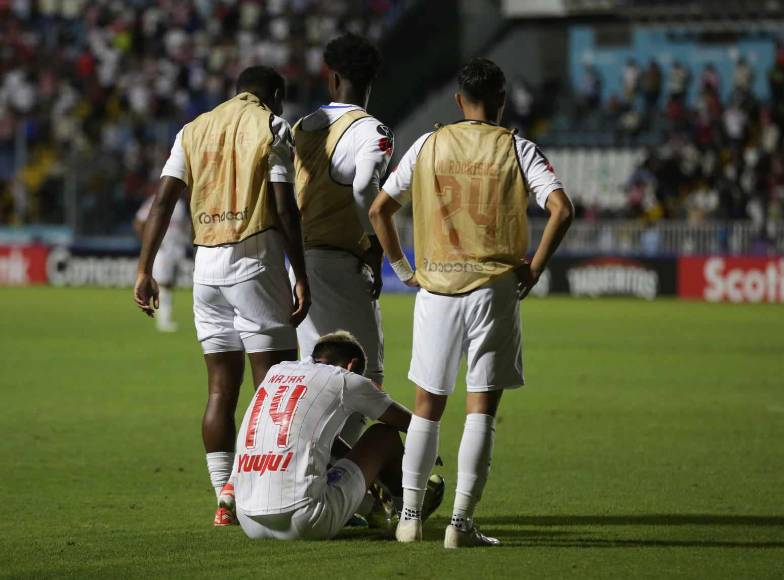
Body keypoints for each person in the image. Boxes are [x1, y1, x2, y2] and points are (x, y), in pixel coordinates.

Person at [368, 57, 575, 548]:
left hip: (437, 288)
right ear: (502, 100)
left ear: (459, 100)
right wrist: (535, 266)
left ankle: (410, 517)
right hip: (493, 288)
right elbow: (562, 209)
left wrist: (402, 269)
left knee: (426, 407)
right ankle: (460, 524)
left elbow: (379, 210)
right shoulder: (518, 148)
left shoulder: (428, 143)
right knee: (481, 409)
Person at [133, 66, 311, 525]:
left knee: (218, 391)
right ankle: (260, 491)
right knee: (273, 389)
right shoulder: (272, 125)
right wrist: (300, 273)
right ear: (275, 95)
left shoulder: (192, 129)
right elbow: (283, 207)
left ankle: (223, 497)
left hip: (206, 269)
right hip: (254, 263)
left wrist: (144, 269)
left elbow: (162, 201)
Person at [227, 331, 444, 541]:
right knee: (384, 435)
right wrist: (426, 447)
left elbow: (325, 444)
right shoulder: (345, 379)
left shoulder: (276, 372)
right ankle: (406, 511)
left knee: (318, 450)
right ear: (352, 365)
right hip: (305, 518)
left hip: (248, 520)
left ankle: (372, 508)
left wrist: (370, 474)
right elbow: (410, 423)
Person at [291, 33, 393, 445]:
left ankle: (304, 462)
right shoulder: (371, 130)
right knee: (366, 375)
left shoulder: (301, 128)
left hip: (300, 263)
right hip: (341, 261)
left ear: (332, 78)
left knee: (312, 374)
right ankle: (339, 469)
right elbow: (364, 187)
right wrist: (374, 244)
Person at [133, 194, 190, 332]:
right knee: (163, 283)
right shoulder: (155, 200)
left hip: (176, 250)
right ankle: (163, 319)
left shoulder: (180, 205)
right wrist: (149, 244)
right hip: (162, 250)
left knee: (170, 284)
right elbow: (139, 221)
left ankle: (166, 317)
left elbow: (184, 227)